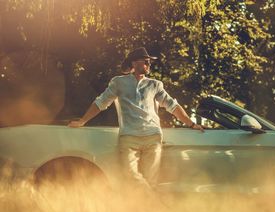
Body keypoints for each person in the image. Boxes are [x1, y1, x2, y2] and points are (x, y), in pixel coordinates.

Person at [68, 47, 204, 189]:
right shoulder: (118, 82)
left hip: (153, 137)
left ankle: (145, 209)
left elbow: (173, 106)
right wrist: (83, 120)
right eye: (145, 61)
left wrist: (192, 124)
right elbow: (101, 102)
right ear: (133, 63)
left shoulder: (155, 85)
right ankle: (157, 203)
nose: (149, 64)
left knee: (150, 181)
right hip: (129, 137)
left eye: (150, 62)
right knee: (129, 176)